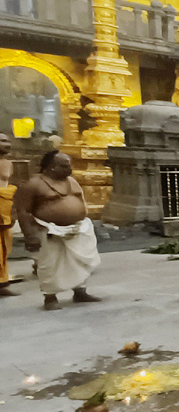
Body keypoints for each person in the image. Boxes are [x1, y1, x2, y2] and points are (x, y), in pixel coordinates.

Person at [13, 150, 102, 310]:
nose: (69, 169)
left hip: (77, 229)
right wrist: (29, 236)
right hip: (48, 230)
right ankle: (50, 297)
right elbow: (23, 211)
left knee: (78, 262)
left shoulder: (72, 181)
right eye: (63, 166)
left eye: (69, 166)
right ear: (50, 167)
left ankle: (80, 292)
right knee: (50, 264)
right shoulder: (33, 184)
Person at [0, 133, 15, 296]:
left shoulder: (8, 163)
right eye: (2, 141)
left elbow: (7, 186)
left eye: (7, 141)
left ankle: (2, 283)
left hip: (4, 206)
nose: (7, 144)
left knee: (4, 246)